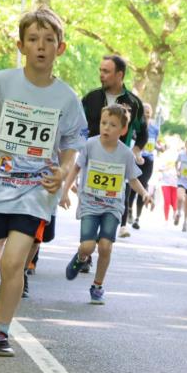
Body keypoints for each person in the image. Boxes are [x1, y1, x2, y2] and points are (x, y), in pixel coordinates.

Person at [0, 6, 85, 356]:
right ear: (21, 45)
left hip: (35, 193)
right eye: (33, 39)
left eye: (48, 40)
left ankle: (0, 332)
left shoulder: (67, 99)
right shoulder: (1, 83)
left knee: (13, 262)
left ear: (61, 47)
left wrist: (64, 173)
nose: (40, 46)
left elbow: (72, 145)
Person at [61, 104, 152, 303]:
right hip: (90, 204)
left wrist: (145, 193)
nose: (106, 128)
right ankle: (80, 257)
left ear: (123, 130)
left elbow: (133, 179)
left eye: (112, 125)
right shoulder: (89, 146)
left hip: (113, 206)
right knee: (87, 246)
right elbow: (75, 170)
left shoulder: (126, 153)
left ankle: (97, 285)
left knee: (105, 246)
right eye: (104, 123)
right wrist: (65, 191)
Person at [80, 54, 148, 238]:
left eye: (106, 71)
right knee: (89, 216)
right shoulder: (90, 98)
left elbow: (143, 133)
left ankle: (112, 234)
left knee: (109, 217)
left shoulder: (134, 103)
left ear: (120, 75)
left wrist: (134, 151)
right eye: (100, 71)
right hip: (91, 163)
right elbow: (77, 126)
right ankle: (86, 253)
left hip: (117, 166)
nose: (101, 75)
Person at [129, 103, 158, 230]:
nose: (146, 113)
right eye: (144, 110)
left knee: (144, 184)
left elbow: (153, 142)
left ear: (151, 113)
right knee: (133, 183)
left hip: (148, 160)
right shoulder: (136, 126)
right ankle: (129, 209)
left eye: (149, 111)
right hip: (136, 158)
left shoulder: (155, 128)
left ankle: (138, 217)